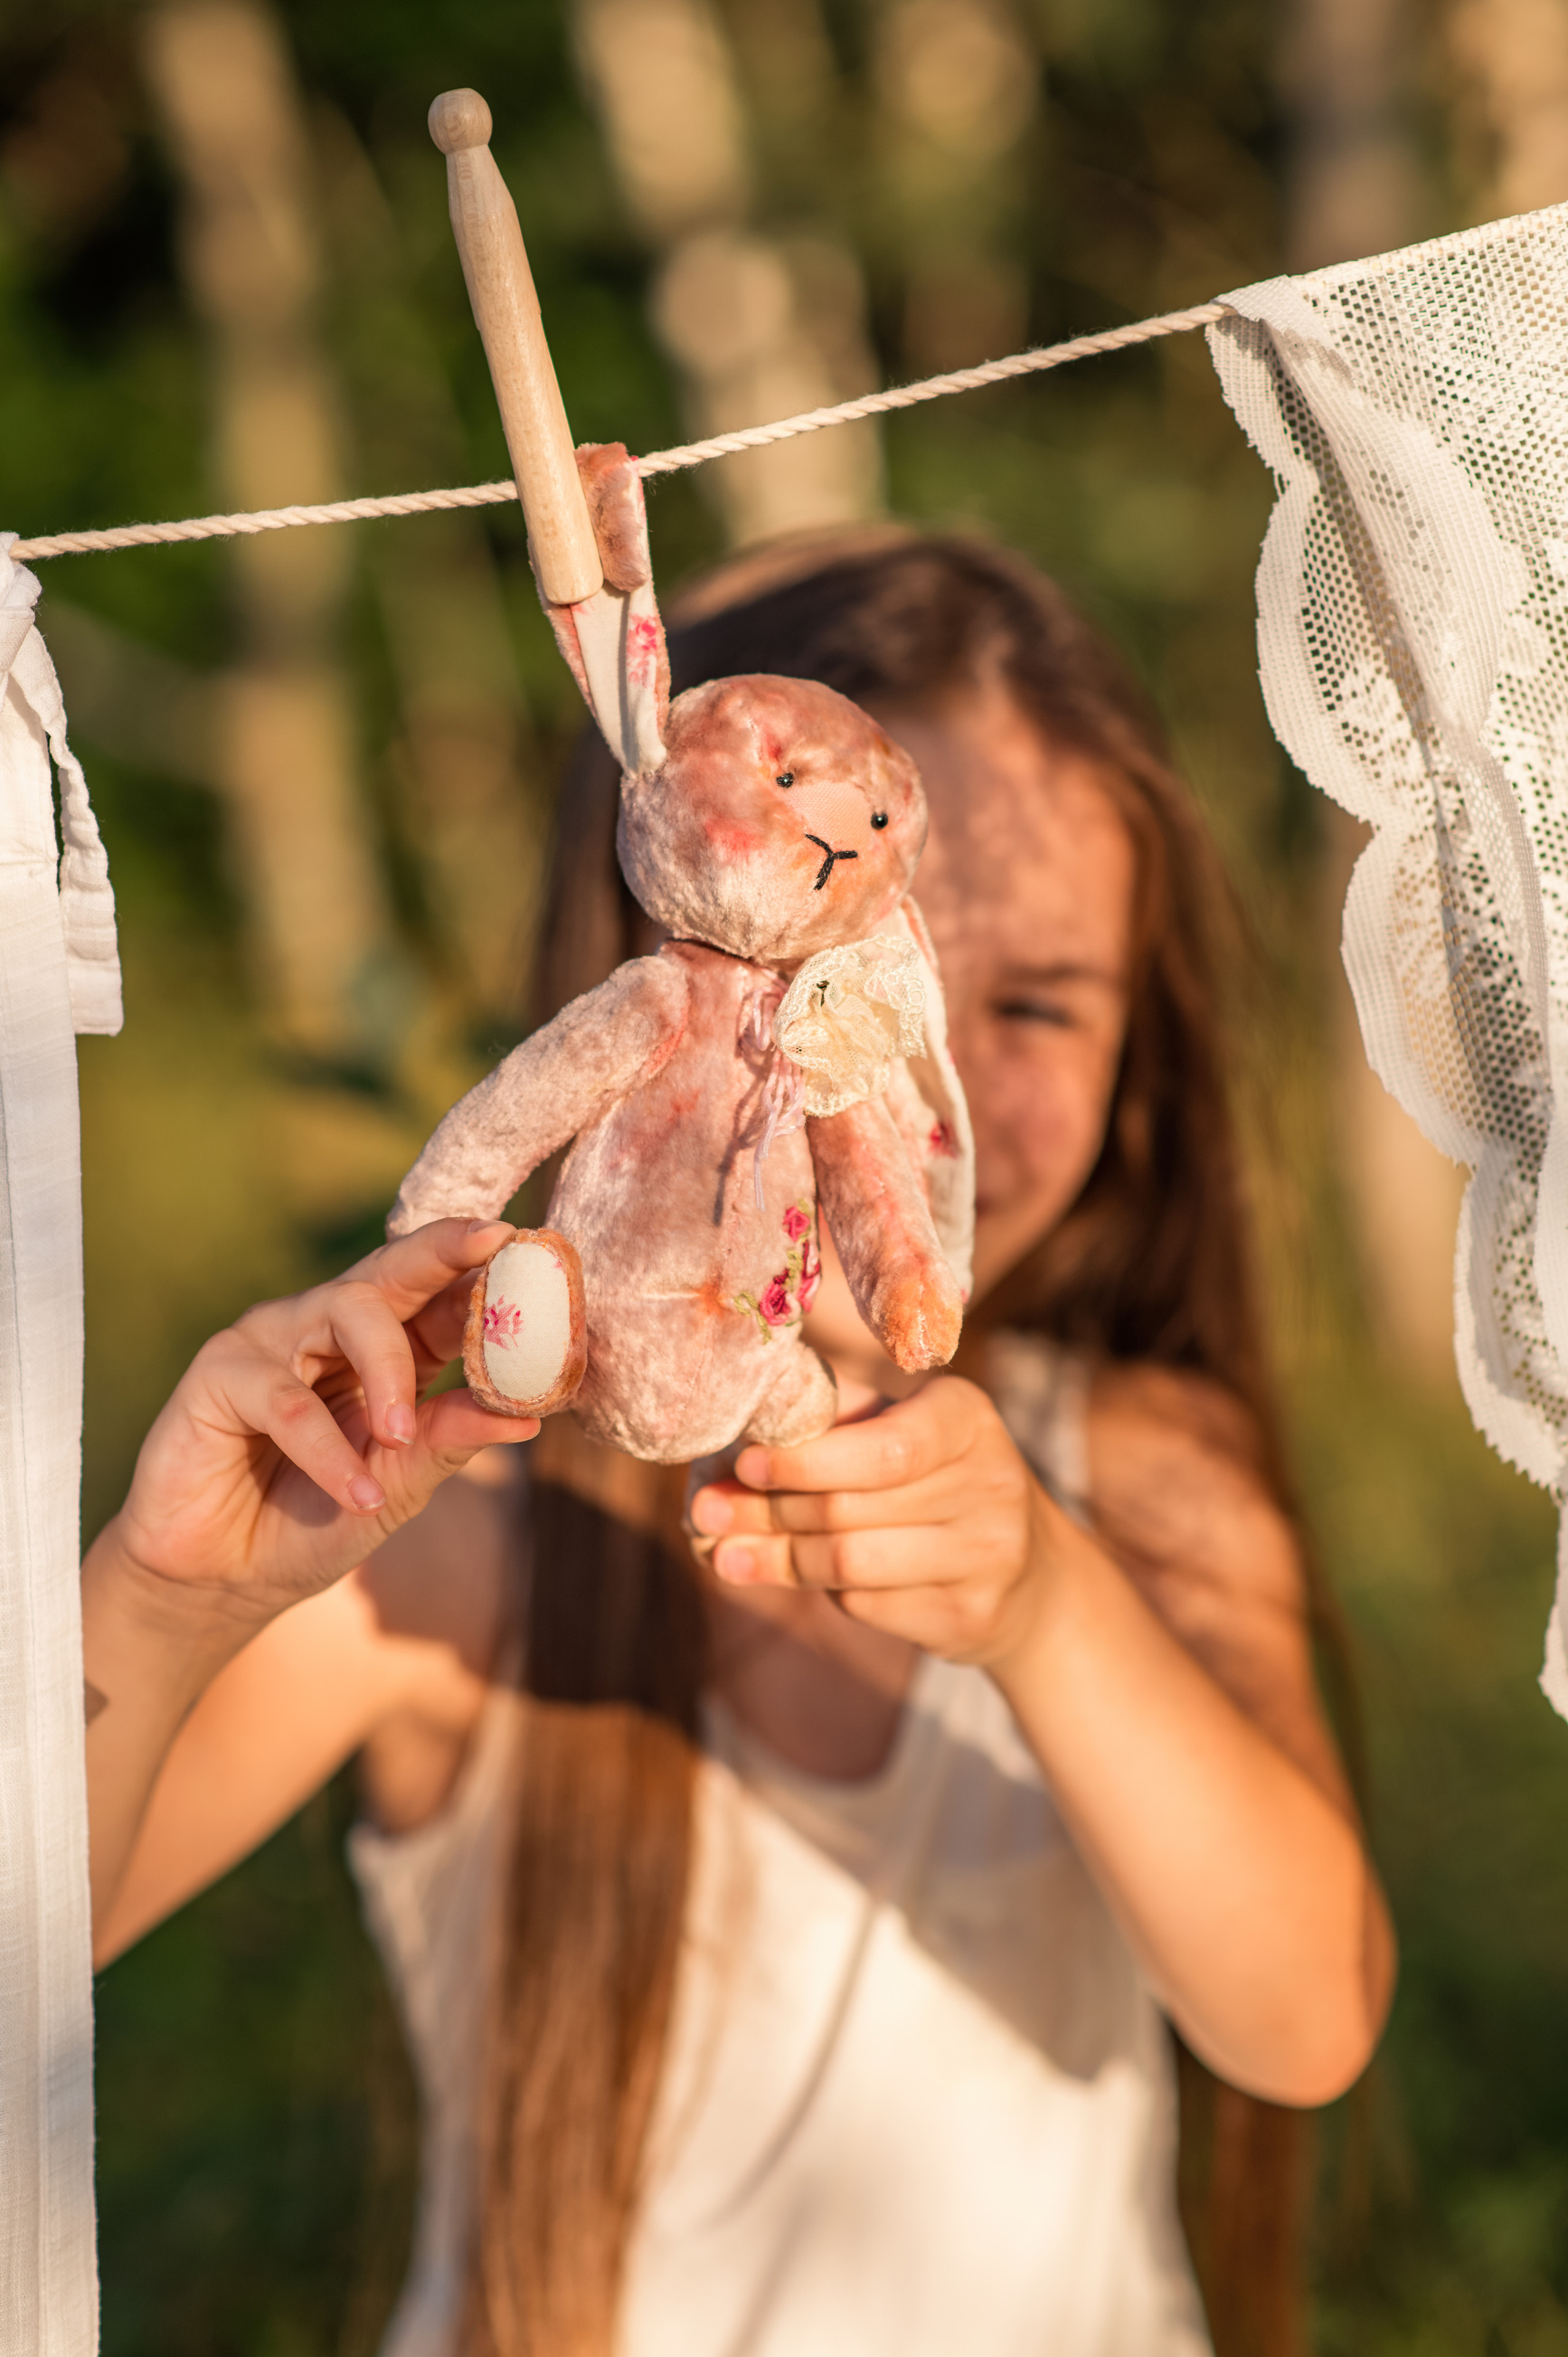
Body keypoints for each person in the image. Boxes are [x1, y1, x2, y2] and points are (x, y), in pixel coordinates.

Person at [81, 530, 1395, 2357]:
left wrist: (1049, 1612)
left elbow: (1305, 2017)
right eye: (910, 957)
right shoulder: (462, 1541)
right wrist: (157, 1602)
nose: (928, 1072)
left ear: (1135, 1054)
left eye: (1045, 1008)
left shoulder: (1141, 1473)